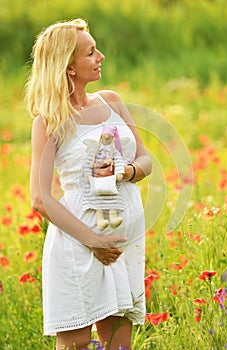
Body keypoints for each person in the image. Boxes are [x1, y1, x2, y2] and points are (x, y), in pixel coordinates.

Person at [26, 18, 152, 350]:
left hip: (121, 240)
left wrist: (125, 172)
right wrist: (93, 240)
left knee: (119, 343)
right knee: (76, 343)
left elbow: (145, 160)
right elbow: (40, 198)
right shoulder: (49, 122)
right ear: (69, 67)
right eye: (91, 52)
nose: (101, 57)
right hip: (79, 243)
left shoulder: (110, 100)